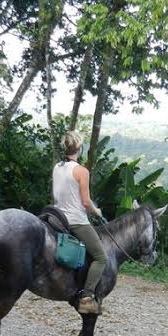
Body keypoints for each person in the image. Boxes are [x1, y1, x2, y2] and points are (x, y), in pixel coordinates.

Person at [52, 131, 107, 314]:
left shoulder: (57, 167)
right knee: (101, 257)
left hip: (57, 217)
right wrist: (96, 211)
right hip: (75, 220)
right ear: (79, 148)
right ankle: (87, 296)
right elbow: (85, 202)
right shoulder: (82, 171)